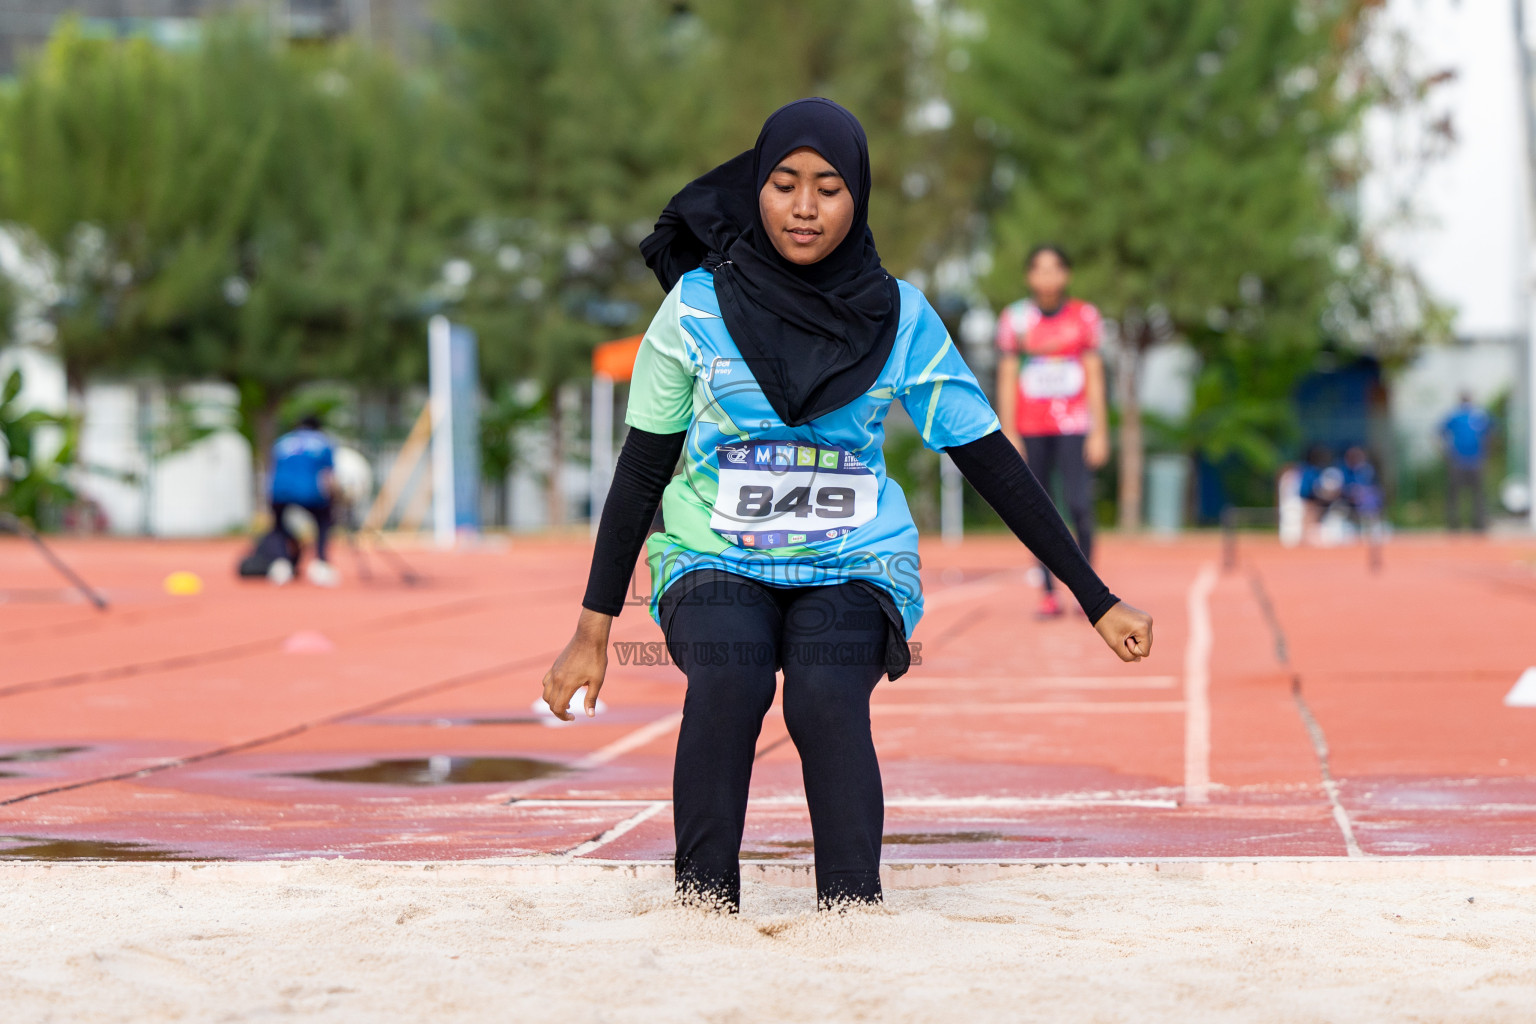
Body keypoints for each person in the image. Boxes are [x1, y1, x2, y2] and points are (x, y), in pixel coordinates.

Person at [541, 99, 1152, 913]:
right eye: (785, 184)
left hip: (855, 559)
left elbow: (992, 463)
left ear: (858, 196)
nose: (804, 207)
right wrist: (592, 629)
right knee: (732, 675)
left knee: (825, 696)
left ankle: (852, 914)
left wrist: (1095, 596)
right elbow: (641, 470)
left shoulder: (901, 318)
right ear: (756, 187)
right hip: (713, 554)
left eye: (828, 188)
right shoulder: (693, 309)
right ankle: (702, 908)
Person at [994, 245, 1109, 618]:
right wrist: (1008, 430)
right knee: (1037, 509)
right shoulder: (1016, 319)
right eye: (1039, 270)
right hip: (1030, 427)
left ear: (1066, 275)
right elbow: (1008, 374)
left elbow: (1093, 372)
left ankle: (1085, 588)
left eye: (1054, 269)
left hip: (1074, 425)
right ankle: (1047, 591)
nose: (1047, 277)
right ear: (1029, 276)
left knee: (1079, 505)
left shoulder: (1085, 317)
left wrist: (1100, 431)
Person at [268, 414, 339, 586]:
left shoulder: (282, 442)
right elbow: (328, 475)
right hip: (310, 490)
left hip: (279, 490)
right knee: (323, 522)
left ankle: (281, 564)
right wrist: (334, 498)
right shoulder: (323, 442)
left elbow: (273, 467)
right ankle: (321, 563)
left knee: (278, 527)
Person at [1439, 392, 1493, 532]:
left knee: (1478, 494)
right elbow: (1441, 431)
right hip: (1458, 460)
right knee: (1454, 494)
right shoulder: (1454, 416)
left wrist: (1486, 451)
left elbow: (1491, 431)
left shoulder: (1479, 416)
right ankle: (1454, 524)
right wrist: (1446, 451)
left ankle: (1479, 524)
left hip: (1476, 460)